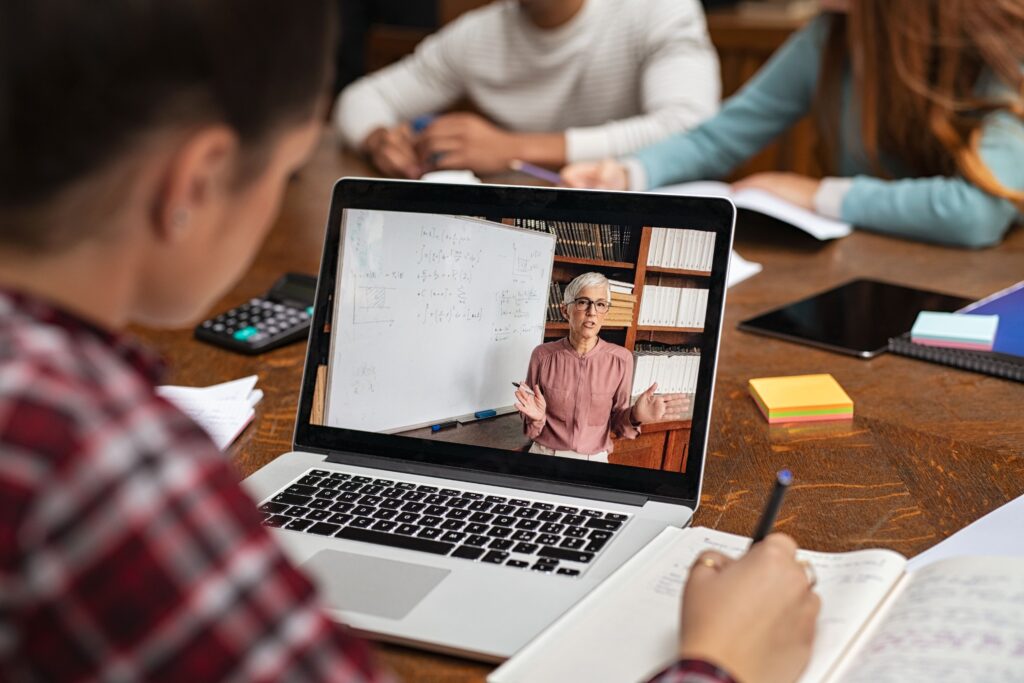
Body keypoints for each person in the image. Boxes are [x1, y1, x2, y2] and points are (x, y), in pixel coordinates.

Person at [0, 2, 817, 681]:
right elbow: (532, 429)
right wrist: (724, 662)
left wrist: (632, 415)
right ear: (194, 185)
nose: (590, 318)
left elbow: (621, 428)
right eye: (287, 170)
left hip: (589, 489)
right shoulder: (103, 465)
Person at [561, 0, 1024, 249]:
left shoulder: (1000, 42)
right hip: (863, 267)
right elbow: (721, 135)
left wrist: (818, 194)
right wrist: (628, 173)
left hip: (973, 294)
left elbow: (978, 213)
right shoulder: (830, 36)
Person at [334, 0, 720, 178]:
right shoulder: (478, 33)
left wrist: (512, 149)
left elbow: (691, 128)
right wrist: (379, 140)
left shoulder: (659, 10)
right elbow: (361, 98)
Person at [516, 272, 689, 463]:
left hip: (595, 460)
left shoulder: (621, 359)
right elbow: (530, 427)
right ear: (565, 311)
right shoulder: (542, 355)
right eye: (583, 302)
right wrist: (536, 418)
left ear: (605, 313)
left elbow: (618, 424)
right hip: (545, 454)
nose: (592, 312)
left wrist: (635, 415)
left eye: (600, 305)